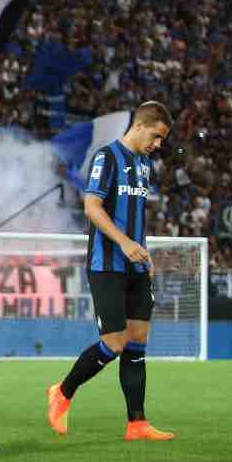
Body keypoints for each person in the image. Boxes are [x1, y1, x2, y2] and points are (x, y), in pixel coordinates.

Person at [47, 101, 176, 441]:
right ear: (140, 125)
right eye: (157, 136)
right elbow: (91, 207)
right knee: (115, 342)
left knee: (138, 341)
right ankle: (63, 391)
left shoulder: (144, 162)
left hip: (135, 263)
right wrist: (123, 243)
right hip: (107, 264)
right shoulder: (107, 157)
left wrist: (142, 254)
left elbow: (133, 214)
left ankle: (137, 423)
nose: (158, 145)